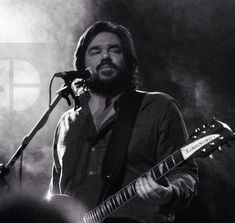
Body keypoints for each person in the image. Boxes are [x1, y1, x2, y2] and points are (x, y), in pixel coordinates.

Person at [49, 21, 198, 223]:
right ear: (82, 65)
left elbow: (184, 173)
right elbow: (56, 192)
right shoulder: (67, 122)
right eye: (95, 51)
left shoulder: (158, 107)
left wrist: (169, 193)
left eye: (115, 50)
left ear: (128, 60)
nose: (105, 57)